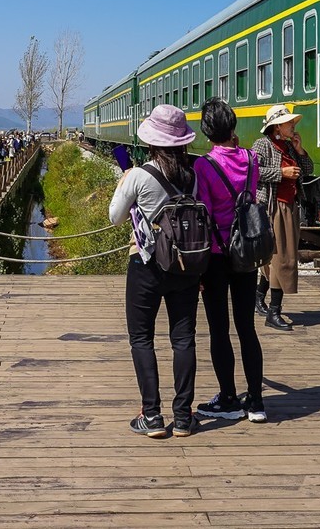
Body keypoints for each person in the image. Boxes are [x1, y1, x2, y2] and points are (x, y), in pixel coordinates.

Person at [108, 104, 201, 438]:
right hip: (186, 265)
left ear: (151, 142)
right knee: (183, 338)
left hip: (146, 263)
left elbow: (115, 217)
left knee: (141, 338)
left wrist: (125, 184)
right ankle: (184, 417)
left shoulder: (138, 175)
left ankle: (151, 416)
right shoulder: (194, 175)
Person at [193, 98, 267, 424]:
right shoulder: (252, 160)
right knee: (247, 328)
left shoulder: (204, 166)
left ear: (206, 131)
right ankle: (256, 401)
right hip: (246, 253)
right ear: (233, 126)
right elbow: (247, 200)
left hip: (215, 255)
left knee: (219, 330)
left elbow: (205, 215)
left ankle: (228, 398)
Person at [252, 104, 313, 332]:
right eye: (289, 123)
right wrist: (281, 173)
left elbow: (308, 169)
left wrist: (300, 149)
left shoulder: (288, 145)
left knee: (275, 257)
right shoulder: (263, 145)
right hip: (272, 207)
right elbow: (254, 172)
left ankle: (259, 298)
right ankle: (274, 312)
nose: (293, 126)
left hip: (289, 206)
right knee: (281, 259)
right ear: (277, 126)